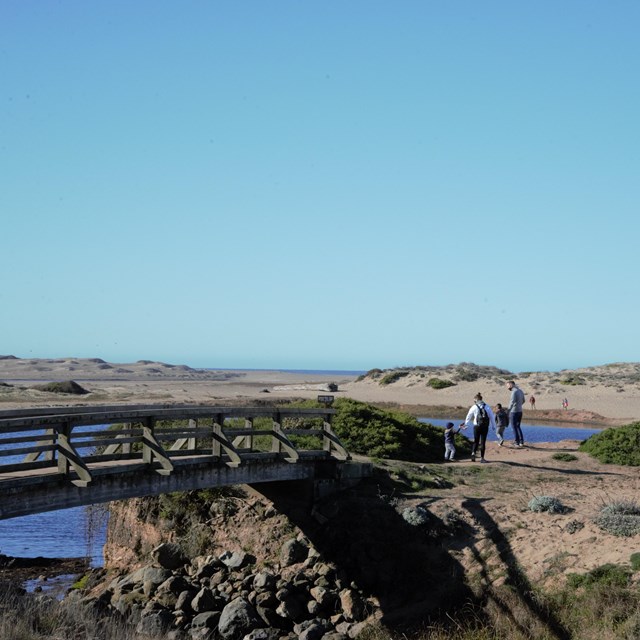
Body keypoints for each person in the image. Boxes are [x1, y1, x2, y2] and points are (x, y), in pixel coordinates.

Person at [463, 393, 496, 463]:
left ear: (476, 400)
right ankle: (482, 458)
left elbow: (469, 416)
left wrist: (466, 424)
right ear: (481, 399)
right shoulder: (487, 406)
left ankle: (473, 453)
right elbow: (492, 417)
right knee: (483, 442)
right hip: (485, 426)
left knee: (476, 441)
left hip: (476, 426)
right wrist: (493, 426)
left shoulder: (474, 407)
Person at [507, 380, 526, 447]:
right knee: (518, 426)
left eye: (508, 385)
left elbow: (511, 402)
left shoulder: (514, 392)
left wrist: (508, 410)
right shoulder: (520, 391)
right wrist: (519, 405)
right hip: (520, 411)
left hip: (514, 411)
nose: (507, 387)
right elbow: (523, 400)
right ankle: (521, 441)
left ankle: (516, 442)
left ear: (511, 384)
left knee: (514, 427)